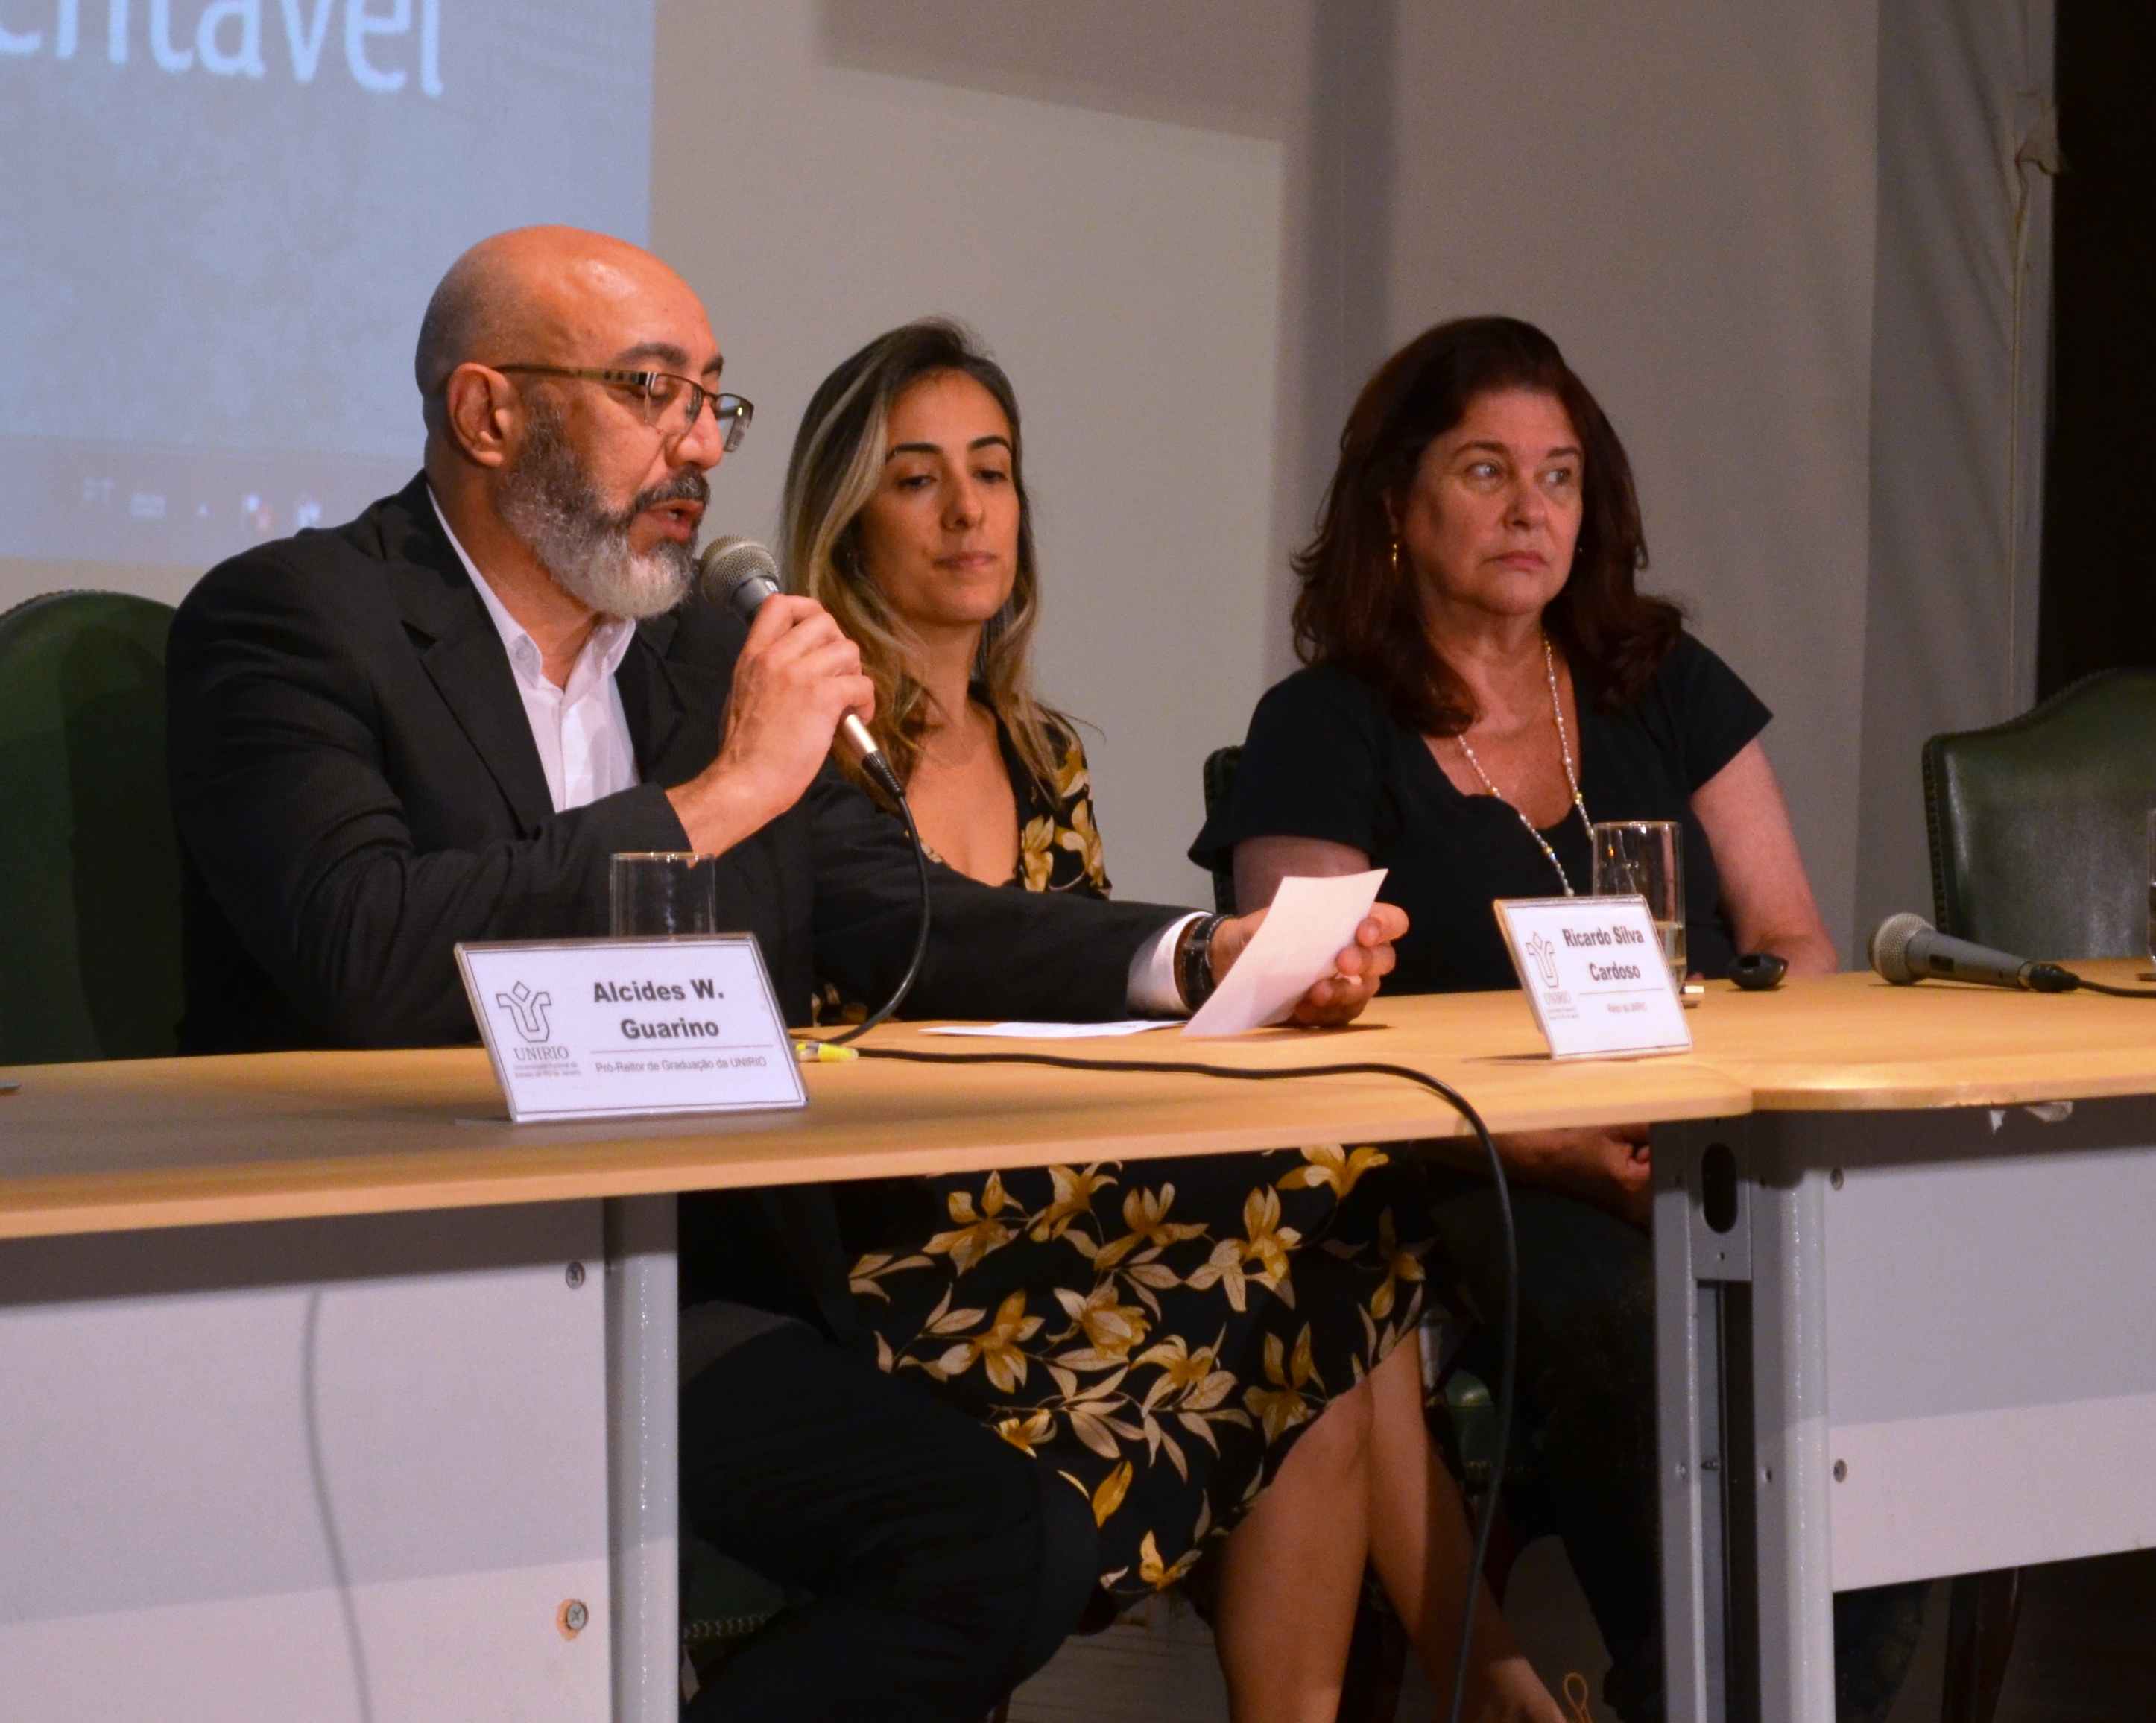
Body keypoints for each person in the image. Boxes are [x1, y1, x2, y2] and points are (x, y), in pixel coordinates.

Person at [163, 227, 1405, 1723]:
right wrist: (717, 798)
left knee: (1009, 1537)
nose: (699, 444)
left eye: (714, 401)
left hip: (686, 1286)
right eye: (651, 391)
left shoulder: (698, 654)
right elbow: (362, 948)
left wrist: (1192, 952)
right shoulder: (295, 619)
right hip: (411, 1288)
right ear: (487, 414)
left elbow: (903, 917)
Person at [781, 318, 1564, 1722]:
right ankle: (1492, 1676)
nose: (967, 513)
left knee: (1340, 1239)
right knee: (1319, 1288)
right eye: (915, 479)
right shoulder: (805, 758)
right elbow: (936, 973)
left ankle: (1452, 1681)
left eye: (992, 471)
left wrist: (1286, 988)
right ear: (845, 526)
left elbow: (1088, 1011)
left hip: (1059, 1191)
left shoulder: (1043, 753)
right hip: (908, 1238)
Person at [1192, 315, 1925, 1722]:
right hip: (1461, 1172)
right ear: (1395, 503)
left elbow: (1791, 942)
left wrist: (1706, 1113)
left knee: (1890, 1360)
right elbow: (1303, 1032)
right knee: (1648, 1337)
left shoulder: (1660, 681)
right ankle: (1699, 1681)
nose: (1531, 509)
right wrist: (1543, 1149)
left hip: (1699, 1144)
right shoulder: (1323, 726)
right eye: (1485, 470)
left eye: (1560, 475)